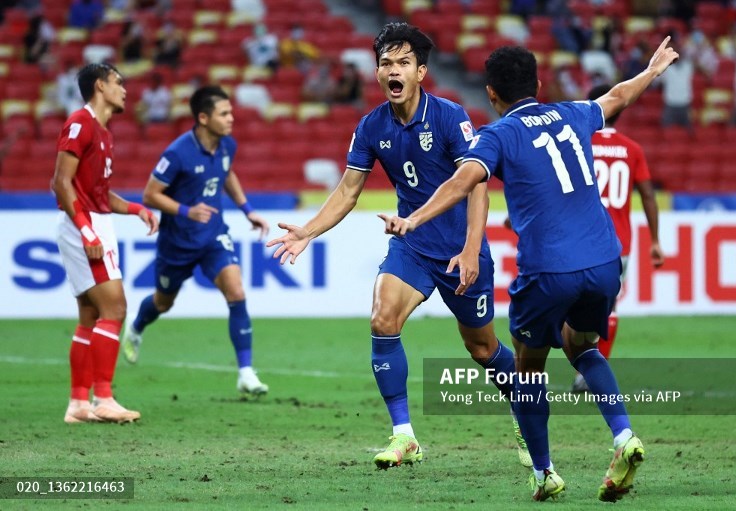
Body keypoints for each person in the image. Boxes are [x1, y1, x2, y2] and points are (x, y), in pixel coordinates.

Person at [379, 38, 678, 501]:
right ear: (538, 84)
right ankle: (624, 436)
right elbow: (618, 96)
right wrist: (652, 71)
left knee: (527, 369)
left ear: (491, 93)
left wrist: (413, 219)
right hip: (605, 261)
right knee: (582, 346)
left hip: (548, 270)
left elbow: (461, 182)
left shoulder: (497, 135)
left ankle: (544, 473)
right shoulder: (572, 113)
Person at [267, 22, 531, 470]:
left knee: (483, 349)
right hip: (412, 245)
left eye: (404, 62)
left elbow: (477, 186)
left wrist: (471, 248)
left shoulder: (449, 116)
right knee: (382, 318)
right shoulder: (371, 126)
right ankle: (404, 434)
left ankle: (525, 411)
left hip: (460, 251)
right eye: (386, 63)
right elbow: (348, 191)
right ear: (377, 73)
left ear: (420, 72)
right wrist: (308, 231)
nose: (394, 70)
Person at [121, 86, 271, 396]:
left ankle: (246, 372)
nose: (231, 118)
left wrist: (248, 210)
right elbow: (150, 195)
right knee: (163, 302)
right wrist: (186, 211)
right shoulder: (177, 153)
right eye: (224, 114)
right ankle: (136, 326)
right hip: (177, 242)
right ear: (203, 118)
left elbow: (227, 173)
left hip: (213, 235)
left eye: (231, 112)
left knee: (236, 291)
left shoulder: (227, 145)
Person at [51, 63, 159, 424]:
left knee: (90, 314)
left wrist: (136, 209)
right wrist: (86, 230)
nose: (125, 90)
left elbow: (96, 193)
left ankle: (78, 403)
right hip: (82, 224)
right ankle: (104, 397)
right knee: (115, 308)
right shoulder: (80, 123)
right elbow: (60, 183)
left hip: (93, 220)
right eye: (118, 83)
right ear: (100, 85)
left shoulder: (103, 133)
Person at [571, 83, 665, 393]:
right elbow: (648, 195)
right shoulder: (632, 149)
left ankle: (576, 366)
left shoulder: (579, 143)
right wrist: (655, 240)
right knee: (608, 308)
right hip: (618, 244)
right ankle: (590, 374)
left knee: (568, 302)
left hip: (580, 239)